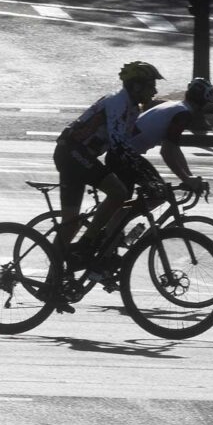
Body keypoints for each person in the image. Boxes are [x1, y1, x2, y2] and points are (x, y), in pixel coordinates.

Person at [53, 61, 165, 269]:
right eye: (151, 85)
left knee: (71, 224)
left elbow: (128, 146)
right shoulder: (117, 102)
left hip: (80, 154)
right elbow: (118, 145)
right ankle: (85, 244)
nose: (155, 90)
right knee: (118, 192)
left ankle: (58, 276)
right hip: (71, 152)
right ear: (136, 86)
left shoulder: (132, 108)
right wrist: (144, 175)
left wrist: (145, 174)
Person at [126, 77, 213, 194]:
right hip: (125, 156)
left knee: (154, 193)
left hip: (125, 153)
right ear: (203, 103)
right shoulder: (183, 115)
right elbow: (166, 152)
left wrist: (189, 176)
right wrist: (186, 179)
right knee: (159, 193)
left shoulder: (176, 106)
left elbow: (174, 149)